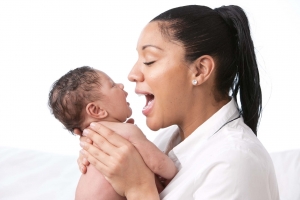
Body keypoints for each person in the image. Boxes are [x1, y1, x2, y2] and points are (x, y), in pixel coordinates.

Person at [77, 5, 279, 200]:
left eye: (149, 60)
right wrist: (101, 167)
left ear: (200, 70)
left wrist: (138, 188)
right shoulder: (168, 140)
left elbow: (140, 186)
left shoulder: (235, 162)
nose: (132, 74)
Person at [48, 66, 177, 200]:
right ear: (97, 110)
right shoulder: (128, 131)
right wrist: (173, 171)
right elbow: (159, 164)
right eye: (113, 85)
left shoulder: (88, 142)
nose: (121, 86)